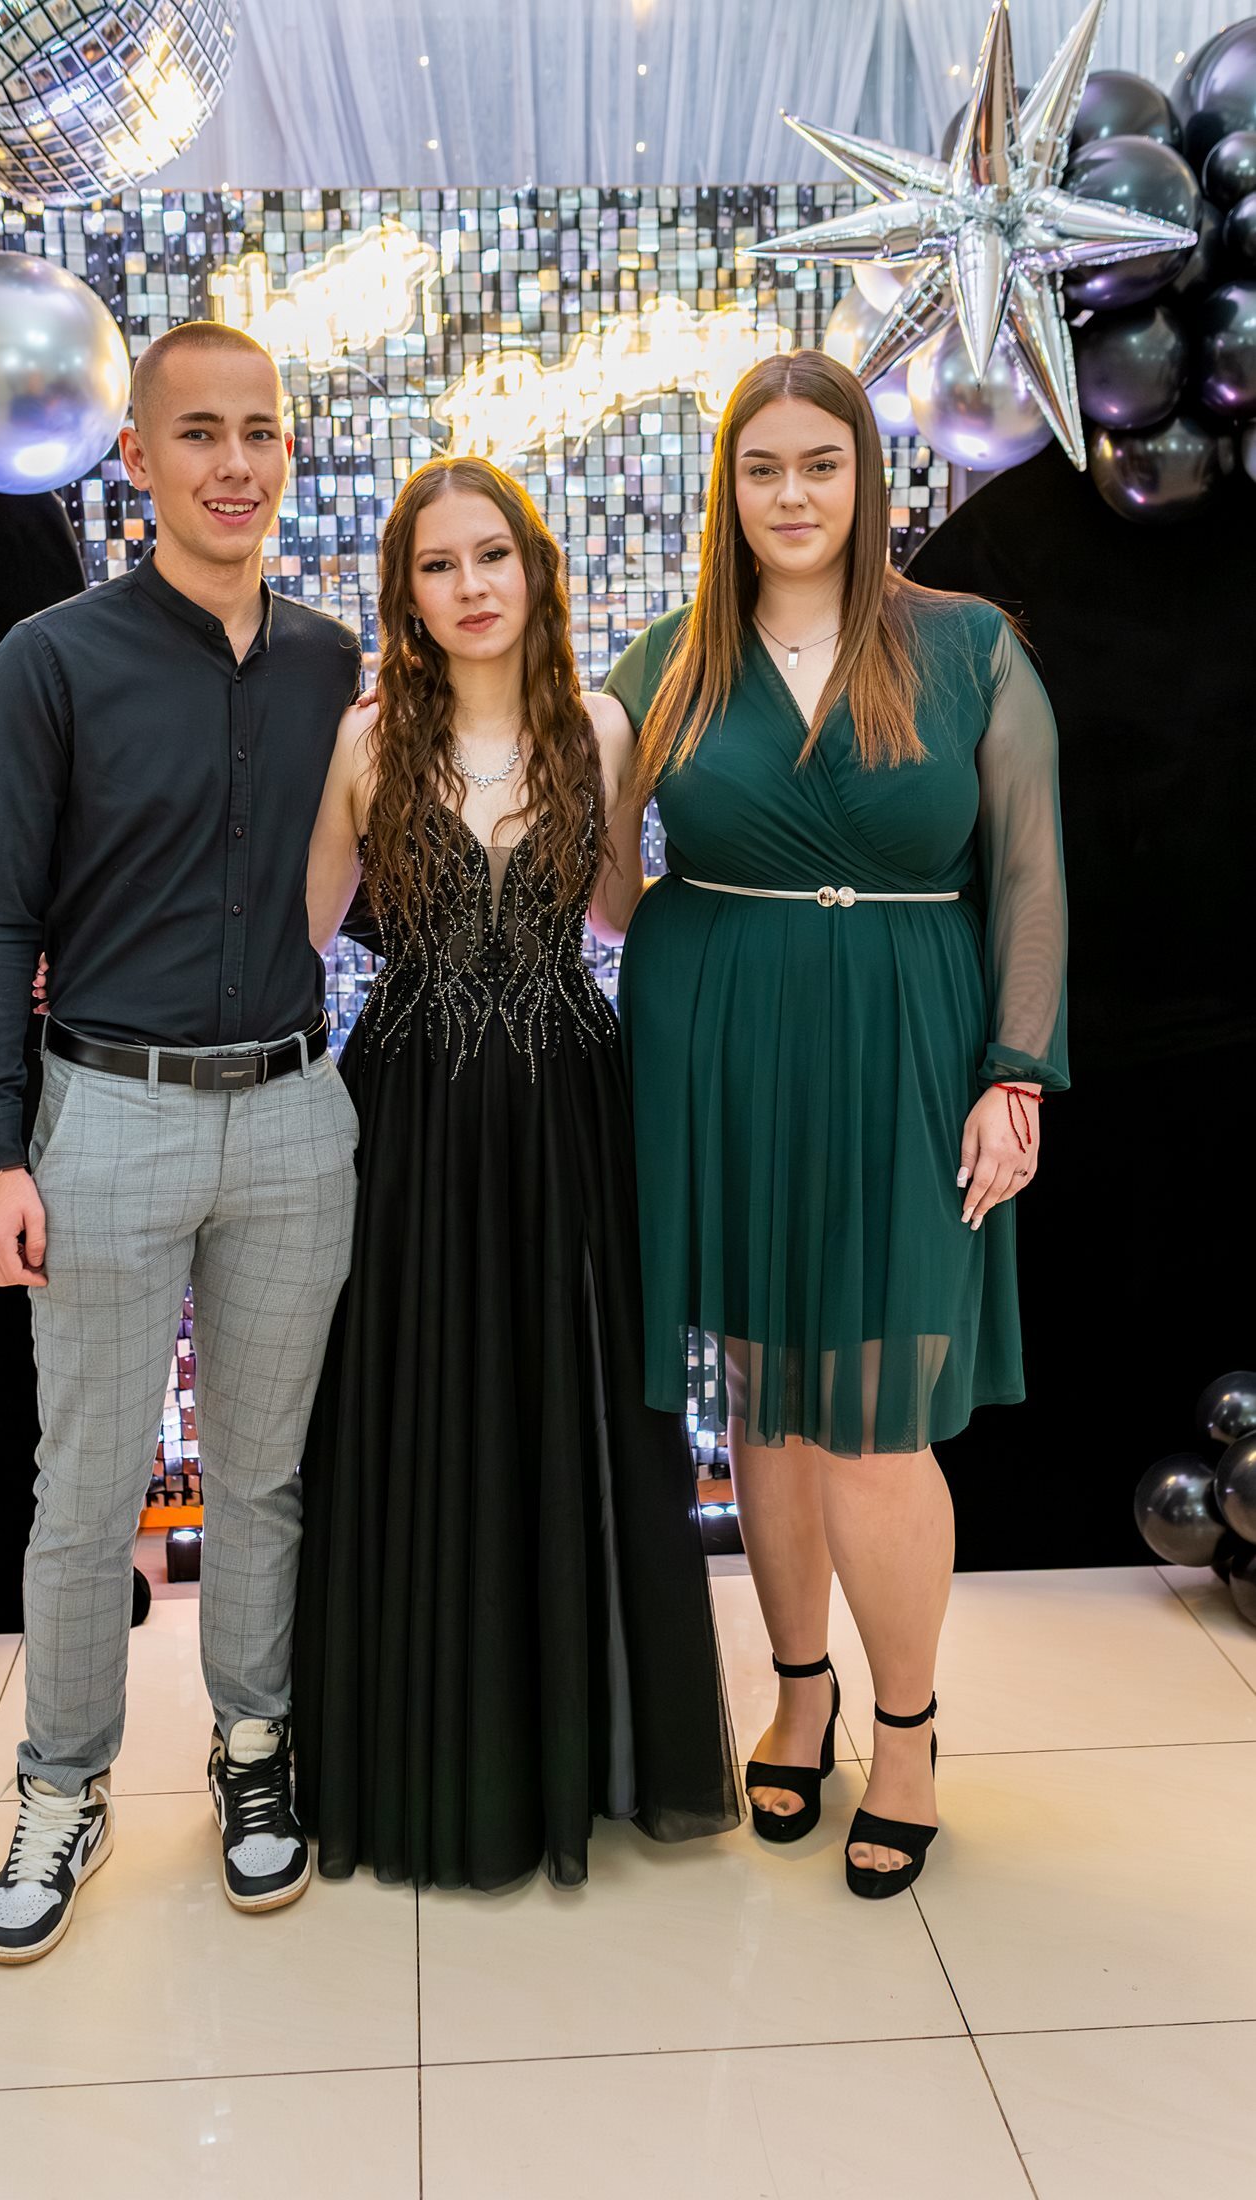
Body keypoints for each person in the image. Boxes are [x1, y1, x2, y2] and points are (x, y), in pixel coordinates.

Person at [604, 350, 1067, 1900]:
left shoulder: (969, 645)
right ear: (725, 489)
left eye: (822, 463)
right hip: (725, 1052)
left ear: (869, 477)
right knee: (765, 1394)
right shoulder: (670, 660)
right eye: (762, 467)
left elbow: (1030, 873)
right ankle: (801, 1693)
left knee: (873, 1415)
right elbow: (590, 853)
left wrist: (1016, 1072)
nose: (792, 494)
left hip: (909, 1046)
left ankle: (909, 1731)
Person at [0, 322, 362, 1962]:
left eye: (260, 431)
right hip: (104, 1118)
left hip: (295, 1117)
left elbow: (365, 874)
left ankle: (252, 1755)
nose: (235, 463)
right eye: (199, 433)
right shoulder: (47, 661)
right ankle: (61, 1787)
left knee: (263, 1478)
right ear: (137, 457)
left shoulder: (332, 662)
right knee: (88, 1491)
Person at [295, 454, 740, 1891]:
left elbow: (619, 914)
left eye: (491, 555)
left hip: (568, 1116)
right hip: (409, 1123)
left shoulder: (602, 726)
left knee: (572, 1407)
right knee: (420, 1400)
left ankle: (577, 1752)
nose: (470, 586)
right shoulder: (363, 741)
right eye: (438, 565)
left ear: (536, 568)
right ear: (406, 595)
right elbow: (296, 935)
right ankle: (419, 1751)